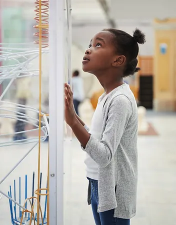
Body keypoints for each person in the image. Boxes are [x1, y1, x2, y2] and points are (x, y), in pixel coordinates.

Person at [64, 28, 145, 225]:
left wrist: (73, 123)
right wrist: (72, 115)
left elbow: (104, 155)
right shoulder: (106, 97)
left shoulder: (120, 100)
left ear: (118, 60)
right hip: (99, 183)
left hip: (113, 191)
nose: (88, 50)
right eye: (90, 44)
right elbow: (96, 138)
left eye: (98, 45)